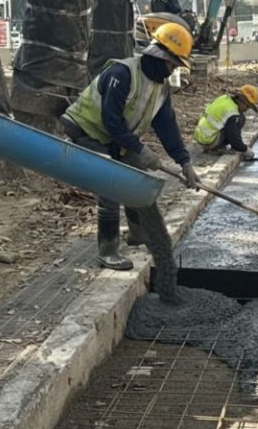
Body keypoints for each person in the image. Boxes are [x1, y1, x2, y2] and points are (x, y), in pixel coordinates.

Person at [60, 22, 200, 271]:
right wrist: (141, 150)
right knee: (110, 183)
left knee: (137, 179)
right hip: (86, 130)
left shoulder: (161, 87)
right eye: (172, 64)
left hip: (115, 138)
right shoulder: (122, 74)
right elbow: (111, 121)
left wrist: (184, 161)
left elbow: (167, 127)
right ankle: (108, 250)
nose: (172, 70)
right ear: (160, 57)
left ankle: (138, 234)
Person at [195, 85, 258, 160]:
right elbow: (233, 136)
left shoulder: (224, 98)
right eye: (247, 107)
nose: (246, 110)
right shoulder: (232, 113)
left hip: (201, 137)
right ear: (242, 100)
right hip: (210, 141)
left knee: (237, 120)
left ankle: (216, 146)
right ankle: (216, 148)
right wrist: (244, 149)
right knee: (240, 119)